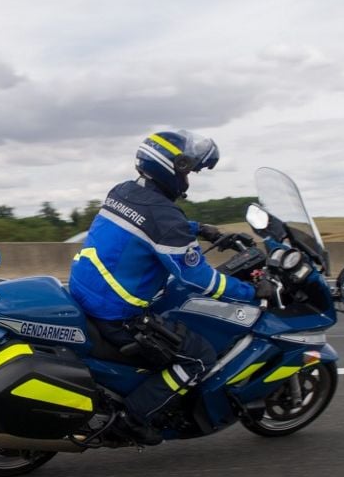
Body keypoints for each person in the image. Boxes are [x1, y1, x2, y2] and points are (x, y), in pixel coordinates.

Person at [69, 130, 276, 444]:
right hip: (117, 314)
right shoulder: (163, 217)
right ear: (170, 168)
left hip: (88, 294)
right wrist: (252, 293)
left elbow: (155, 224)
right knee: (198, 356)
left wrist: (201, 230)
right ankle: (132, 418)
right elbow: (197, 279)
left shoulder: (123, 191)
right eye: (187, 172)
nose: (188, 181)